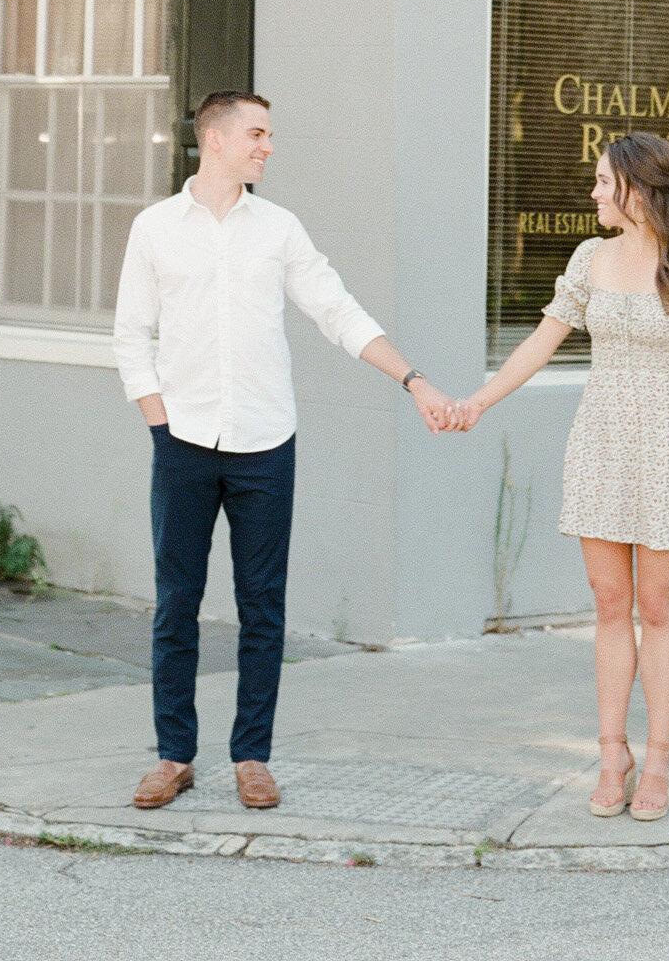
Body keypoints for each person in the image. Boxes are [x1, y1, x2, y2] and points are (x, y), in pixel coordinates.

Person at [113, 90, 456, 813]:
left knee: (261, 606)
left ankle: (252, 756)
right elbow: (129, 334)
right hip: (183, 442)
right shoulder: (154, 229)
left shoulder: (278, 229)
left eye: (269, 136)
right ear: (215, 139)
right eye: (258, 134)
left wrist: (413, 379)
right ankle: (174, 755)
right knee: (176, 605)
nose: (269, 147)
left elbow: (338, 311)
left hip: (266, 443)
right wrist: (157, 421)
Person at [454, 132, 669, 822]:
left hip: (664, 445)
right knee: (609, 604)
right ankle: (613, 753)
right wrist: (477, 402)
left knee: (657, 608)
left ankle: (659, 757)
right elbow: (539, 345)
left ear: (636, 189)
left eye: (605, 183)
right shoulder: (588, 258)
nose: (596, 193)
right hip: (599, 442)